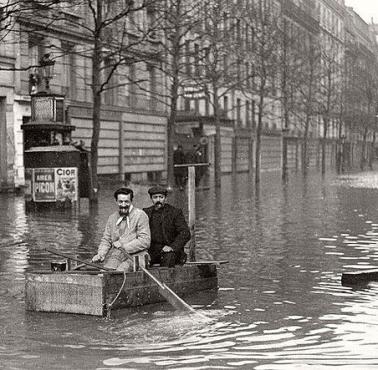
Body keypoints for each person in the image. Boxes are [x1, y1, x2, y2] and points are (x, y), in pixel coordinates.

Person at [92, 187, 150, 271]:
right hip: (118, 255)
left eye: (126, 201)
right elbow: (106, 240)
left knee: (120, 271)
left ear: (131, 201)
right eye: (120, 202)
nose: (123, 205)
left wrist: (124, 245)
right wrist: (101, 254)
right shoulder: (112, 218)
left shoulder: (140, 215)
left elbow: (145, 241)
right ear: (116, 201)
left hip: (138, 256)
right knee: (104, 272)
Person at [143, 186, 191, 268]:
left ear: (165, 198)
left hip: (171, 251)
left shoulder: (175, 212)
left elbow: (185, 233)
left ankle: (166, 280)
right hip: (153, 251)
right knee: (140, 258)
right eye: (155, 197)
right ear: (151, 199)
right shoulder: (145, 213)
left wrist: (172, 247)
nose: (158, 200)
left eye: (161, 197)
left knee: (168, 257)